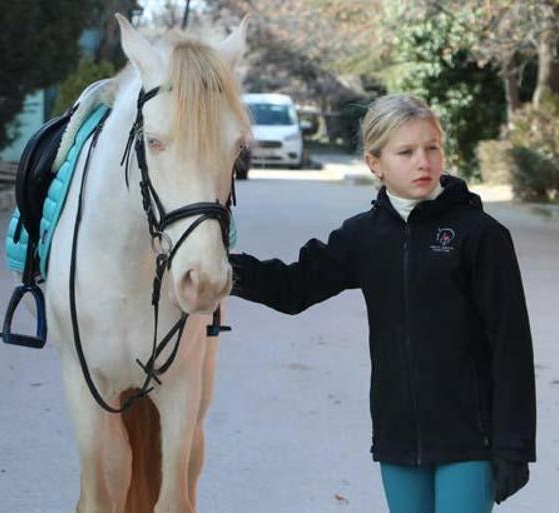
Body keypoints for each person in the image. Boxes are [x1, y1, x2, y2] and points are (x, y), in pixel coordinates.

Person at [229, 94, 536, 513]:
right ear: (376, 164)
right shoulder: (363, 236)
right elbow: (294, 287)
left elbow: (510, 344)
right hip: (397, 437)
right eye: (406, 152)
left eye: (432, 147)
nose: (423, 162)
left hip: (470, 437)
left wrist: (513, 445)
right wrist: (223, 268)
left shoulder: (480, 236)